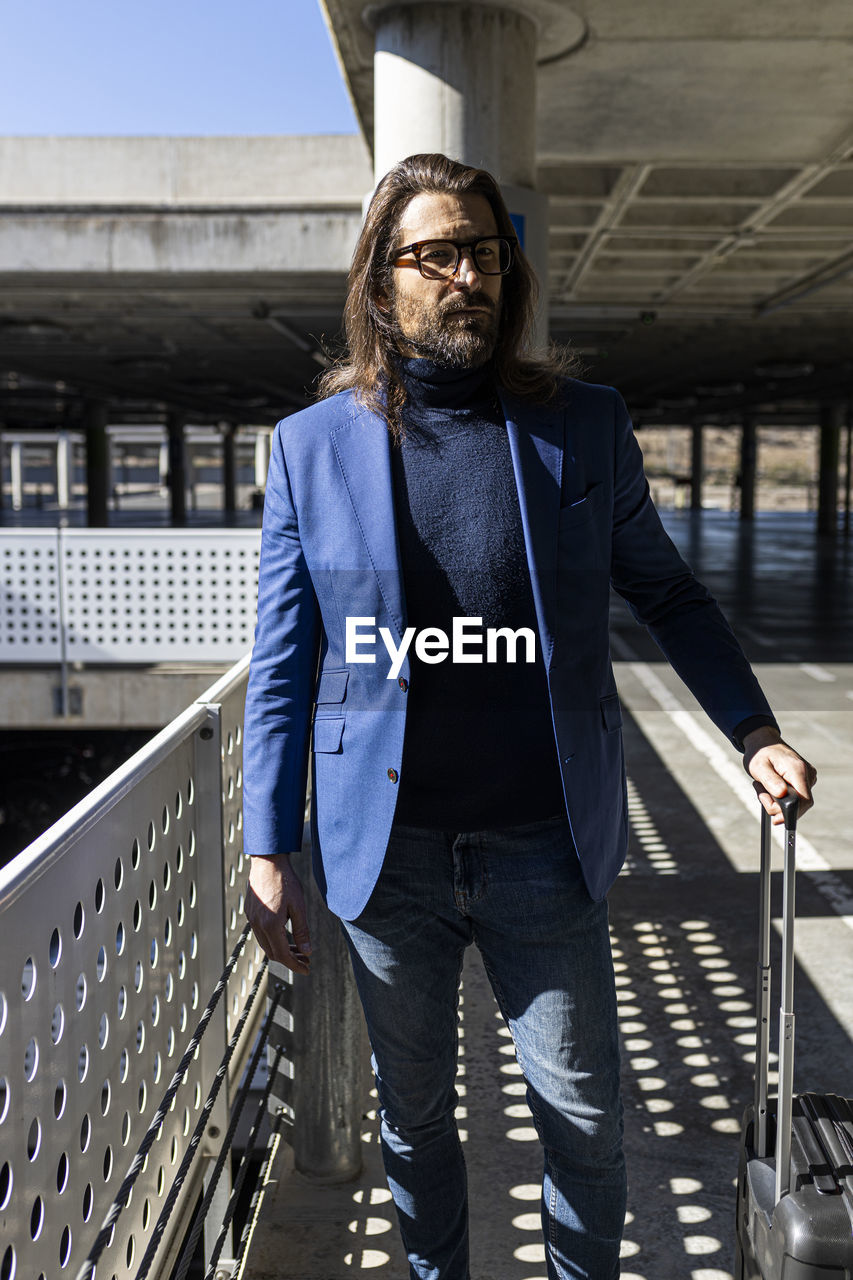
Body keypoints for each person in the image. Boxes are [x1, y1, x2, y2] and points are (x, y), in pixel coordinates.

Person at [243, 153, 816, 1280]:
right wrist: (267, 846)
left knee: (586, 1124)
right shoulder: (310, 449)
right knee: (413, 1123)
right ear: (381, 279)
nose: (469, 274)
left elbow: (667, 590)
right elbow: (283, 659)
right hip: (382, 856)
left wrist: (753, 729)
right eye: (438, 253)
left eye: (486, 251)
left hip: (543, 847)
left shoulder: (582, 427)